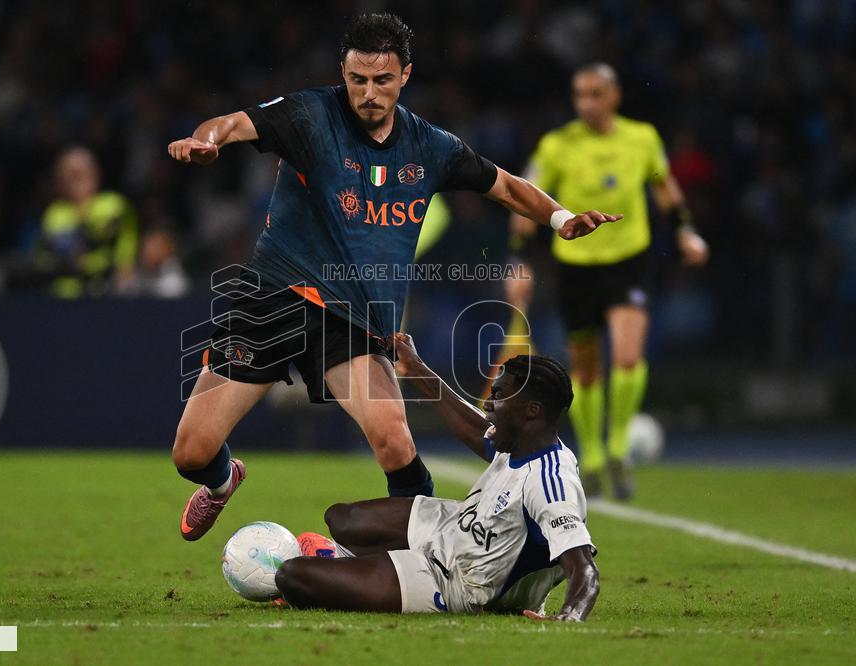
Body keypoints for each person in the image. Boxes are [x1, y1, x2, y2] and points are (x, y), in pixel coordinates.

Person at [166, 13, 620, 542]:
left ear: (405, 75)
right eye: (357, 79)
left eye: (382, 80)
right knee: (192, 453)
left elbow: (507, 187)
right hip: (275, 297)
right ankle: (223, 482)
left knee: (394, 440)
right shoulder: (310, 115)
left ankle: (429, 555)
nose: (368, 92)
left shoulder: (430, 147)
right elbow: (233, 123)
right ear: (344, 72)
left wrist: (562, 218)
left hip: (353, 318)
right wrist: (207, 141)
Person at [274, 333, 599, 619]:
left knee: (293, 576)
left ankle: (374, 570)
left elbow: (584, 569)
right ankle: (364, 567)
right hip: (455, 528)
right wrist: (416, 367)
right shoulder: (518, 441)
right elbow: (476, 429)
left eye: (499, 395)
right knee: (340, 519)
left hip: (461, 581)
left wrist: (570, 616)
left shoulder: (551, 482)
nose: (488, 401)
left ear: (532, 411)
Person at [507, 63, 709, 499]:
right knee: (586, 367)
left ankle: (618, 446)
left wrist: (685, 230)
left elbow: (664, 187)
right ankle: (594, 455)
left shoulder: (642, 138)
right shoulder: (557, 145)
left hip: (628, 261)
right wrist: (521, 261)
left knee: (629, 355)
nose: (586, 103)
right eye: (580, 95)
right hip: (576, 265)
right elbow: (525, 197)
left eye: (595, 94)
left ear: (614, 96)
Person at [35, 146, 139, 298]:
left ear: (95, 173)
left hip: (106, 290)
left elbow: (124, 240)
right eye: (66, 176)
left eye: (78, 174)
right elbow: (46, 255)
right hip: (62, 295)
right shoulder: (54, 213)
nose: (73, 181)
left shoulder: (113, 204)